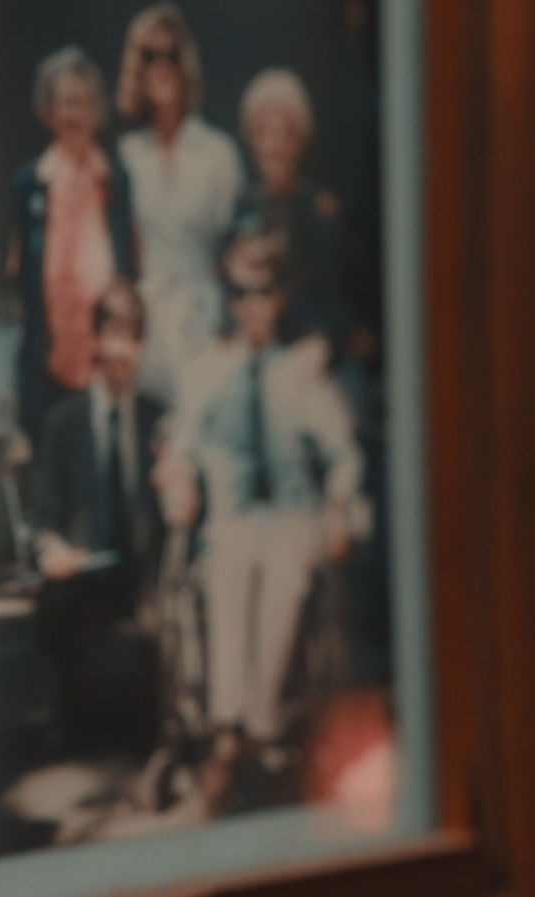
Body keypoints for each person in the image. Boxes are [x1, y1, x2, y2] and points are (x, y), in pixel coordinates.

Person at [157, 235, 362, 750]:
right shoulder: (206, 374)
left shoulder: (300, 371)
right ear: (229, 300)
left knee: (284, 570)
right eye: (241, 293)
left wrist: (338, 506)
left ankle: (261, 718)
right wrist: (177, 482)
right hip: (230, 519)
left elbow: (343, 454)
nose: (252, 305)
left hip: (293, 518)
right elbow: (177, 451)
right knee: (226, 568)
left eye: (263, 292)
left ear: (279, 299)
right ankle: (228, 725)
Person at [30, 281, 166, 759]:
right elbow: (42, 514)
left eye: (133, 338)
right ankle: (79, 711)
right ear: (95, 341)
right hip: (83, 571)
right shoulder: (64, 422)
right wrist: (53, 550)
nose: (122, 351)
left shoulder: (156, 418)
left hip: (139, 570)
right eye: (113, 336)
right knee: (69, 615)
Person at [115, 2, 246, 403]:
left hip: (206, 319)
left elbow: (234, 252)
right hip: (150, 320)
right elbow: (128, 250)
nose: (161, 66)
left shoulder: (218, 153)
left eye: (171, 54)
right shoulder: (128, 155)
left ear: (185, 63)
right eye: (149, 55)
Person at [9, 45, 137, 445]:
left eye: (84, 103)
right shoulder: (30, 183)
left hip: (105, 365)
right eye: (66, 102)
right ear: (48, 110)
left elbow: (130, 270)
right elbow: (21, 275)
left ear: (98, 111)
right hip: (49, 366)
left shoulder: (116, 180)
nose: (75, 114)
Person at [233, 68, 353, 355]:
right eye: (263, 134)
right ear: (252, 141)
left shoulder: (320, 210)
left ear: (300, 142)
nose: (273, 147)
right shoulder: (244, 206)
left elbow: (336, 305)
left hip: (310, 349)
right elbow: (231, 283)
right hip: (252, 345)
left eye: (284, 135)